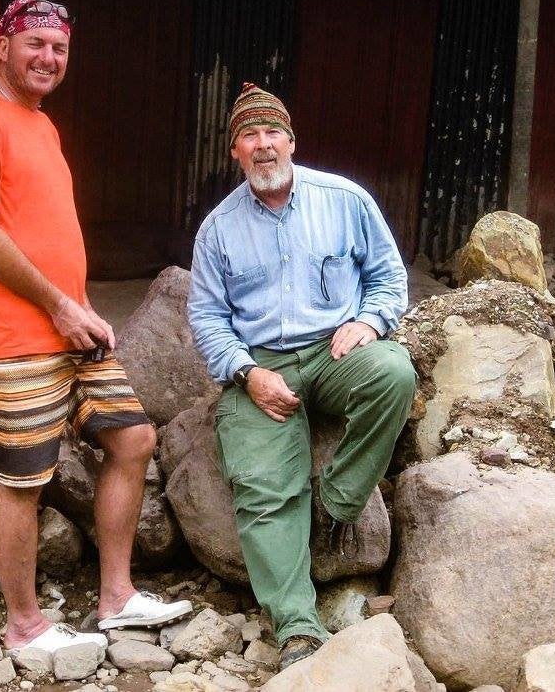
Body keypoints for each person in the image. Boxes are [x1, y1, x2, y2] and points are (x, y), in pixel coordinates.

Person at [0, 0, 191, 655]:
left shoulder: (40, 125)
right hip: (16, 335)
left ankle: (116, 599)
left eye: (60, 48)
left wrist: (76, 305)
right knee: (23, 480)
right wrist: (57, 303)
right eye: (36, 45)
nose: (49, 58)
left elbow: (41, 230)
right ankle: (24, 628)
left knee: (132, 440)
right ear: (3, 45)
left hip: (71, 327)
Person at [187, 83, 417, 670]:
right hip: (261, 365)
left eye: (272, 133)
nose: (262, 146)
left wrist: (369, 320)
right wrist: (245, 373)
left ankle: (338, 505)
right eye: (249, 136)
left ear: (291, 140)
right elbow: (208, 318)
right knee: (263, 488)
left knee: (393, 372)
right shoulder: (217, 228)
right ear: (234, 151)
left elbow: (389, 276)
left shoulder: (345, 200)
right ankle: (297, 626)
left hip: (334, 353)